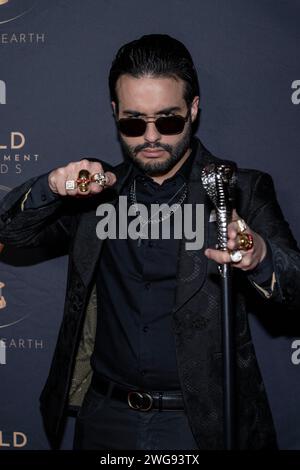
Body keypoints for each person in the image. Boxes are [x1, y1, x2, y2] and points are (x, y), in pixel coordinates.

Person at [0, 34, 300, 451]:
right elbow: (9, 231)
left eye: (169, 120)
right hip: (106, 418)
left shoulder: (239, 190)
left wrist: (261, 256)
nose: (151, 136)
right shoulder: (94, 194)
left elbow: (296, 286)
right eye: (133, 122)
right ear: (115, 114)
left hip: (200, 425)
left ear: (193, 110)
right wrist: (51, 185)